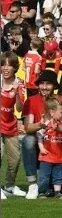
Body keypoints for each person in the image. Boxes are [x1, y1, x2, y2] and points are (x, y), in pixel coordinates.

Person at [0, 53, 25, 199]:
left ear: (15, 67)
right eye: (3, 64)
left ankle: (9, 186)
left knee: (15, 159)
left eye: (9, 64)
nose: (5, 68)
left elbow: (20, 108)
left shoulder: (19, 83)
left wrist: (16, 92)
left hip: (10, 124)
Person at [36, 97, 62, 198]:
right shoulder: (46, 124)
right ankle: (42, 191)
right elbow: (39, 135)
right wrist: (41, 147)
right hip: (47, 157)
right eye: (61, 112)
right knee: (44, 176)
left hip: (59, 157)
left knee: (58, 176)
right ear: (52, 112)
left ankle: (57, 192)